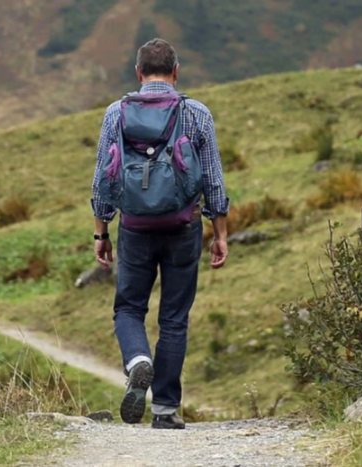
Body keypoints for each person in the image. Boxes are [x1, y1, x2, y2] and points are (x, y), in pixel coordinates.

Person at [90, 38, 230, 430]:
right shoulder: (196, 113)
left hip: (134, 227)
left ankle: (138, 360)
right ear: (176, 71)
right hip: (183, 226)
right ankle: (166, 409)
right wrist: (219, 232)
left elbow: (103, 177)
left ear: (138, 73)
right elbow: (214, 180)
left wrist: (101, 231)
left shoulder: (116, 113)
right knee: (174, 318)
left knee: (129, 308)